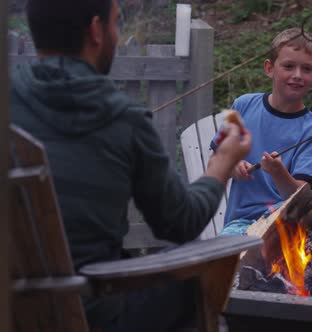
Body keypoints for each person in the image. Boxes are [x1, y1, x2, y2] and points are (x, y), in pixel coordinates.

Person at [10, 0, 251, 330]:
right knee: (192, 294)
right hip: (90, 313)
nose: (116, 34)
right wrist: (222, 162)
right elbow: (180, 223)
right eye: (115, 23)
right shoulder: (122, 118)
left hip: (11, 310)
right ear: (96, 30)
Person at [214, 27, 312, 235]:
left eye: (307, 69)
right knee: (228, 255)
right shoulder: (243, 105)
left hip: (289, 225)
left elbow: (299, 199)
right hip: (242, 223)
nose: (297, 75)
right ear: (269, 68)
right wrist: (233, 165)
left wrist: (278, 172)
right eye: (289, 66)